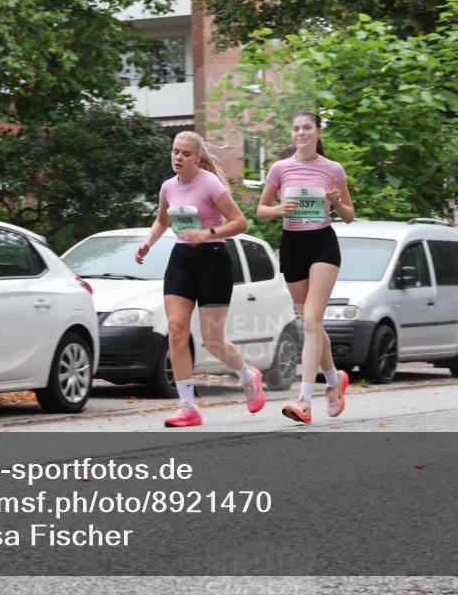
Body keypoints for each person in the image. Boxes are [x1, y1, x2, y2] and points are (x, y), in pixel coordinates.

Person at [135, 131, 266, 427]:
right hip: (181, 259)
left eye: (185, 153)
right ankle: (188, 407)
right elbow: (162, 220)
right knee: (176, 330)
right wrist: (148, 242)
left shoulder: (210, 184)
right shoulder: (168, 187)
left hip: (214, 260)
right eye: (175, 151)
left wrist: (206, 234)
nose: (178, 157)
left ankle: (247, 374)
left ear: (197, 158)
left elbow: (240, 223)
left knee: (212, 340)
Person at [256, 111, 355, 424]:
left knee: (312, 320)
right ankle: (334, 380)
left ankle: (304, 399)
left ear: (318, 132)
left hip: (323, 244)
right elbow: (260, 211)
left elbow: (350, 215)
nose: (300, 133)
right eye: (296, 128)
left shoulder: (333, 169)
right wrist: (279, 209)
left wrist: (337, 201)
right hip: (292, 247)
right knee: (312, 324)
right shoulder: (280, 168)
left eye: (307, 128)